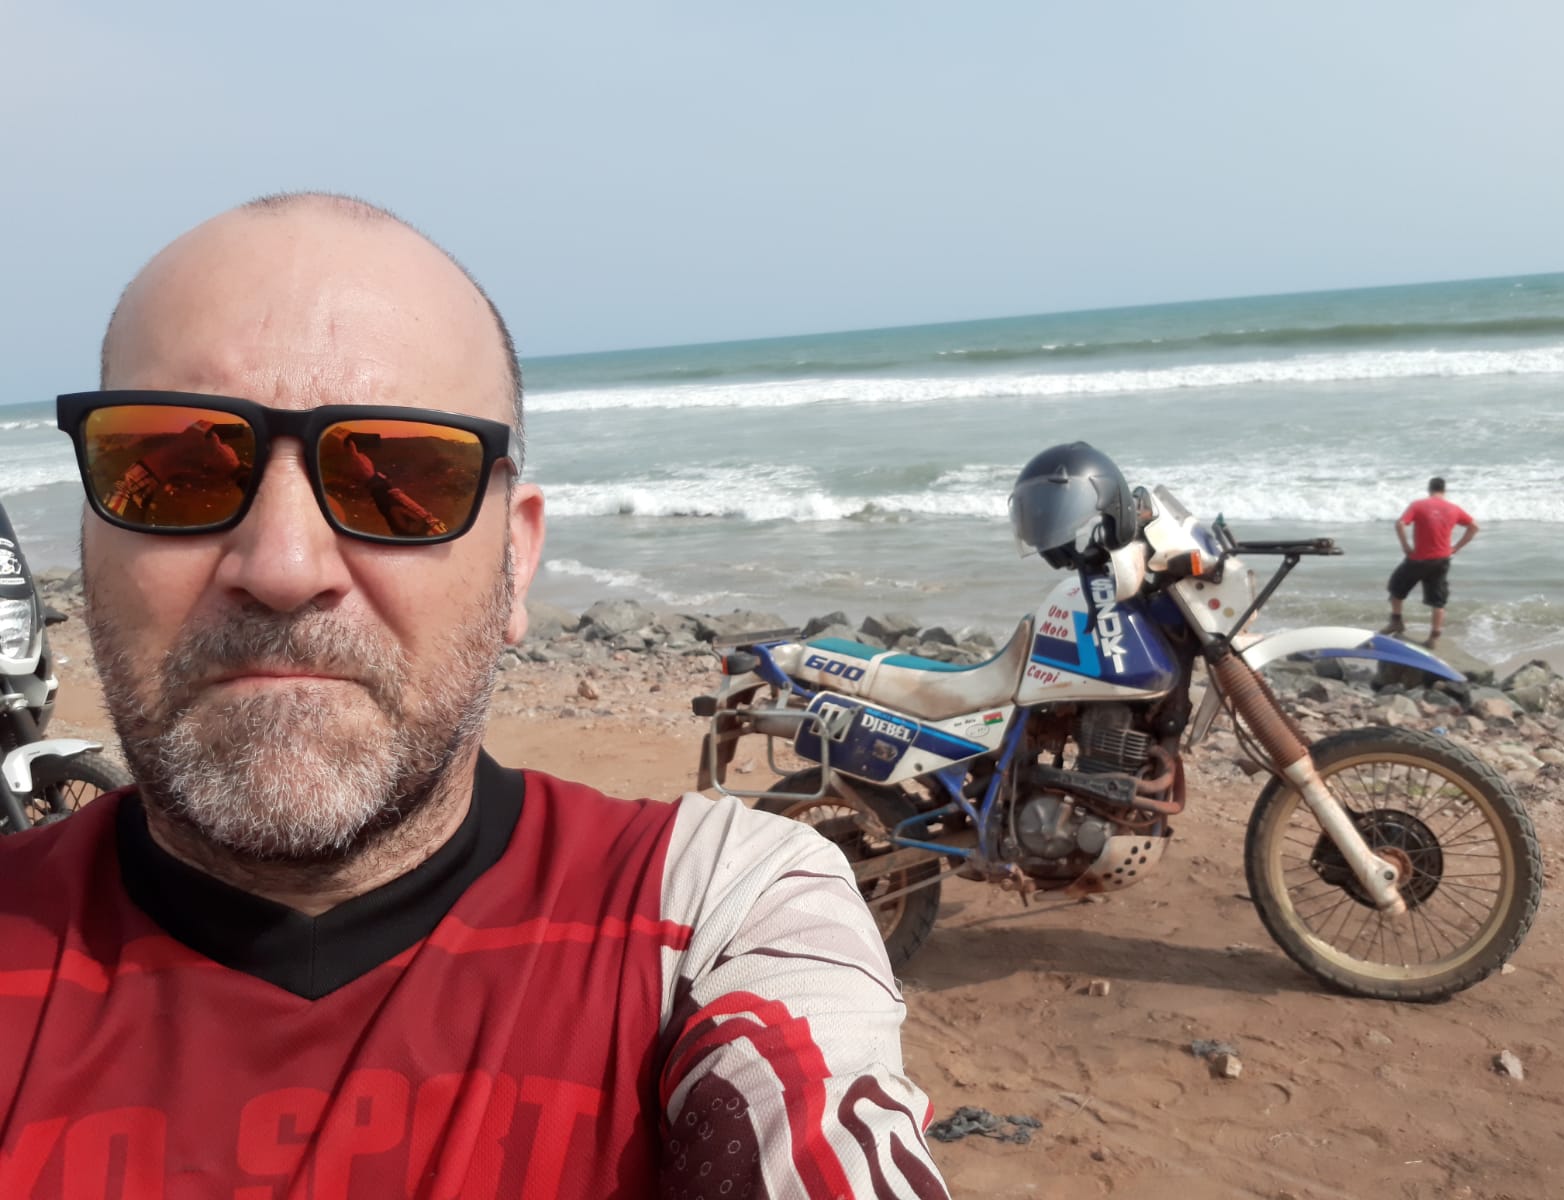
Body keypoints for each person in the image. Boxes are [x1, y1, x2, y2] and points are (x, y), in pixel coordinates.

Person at [2, 194, 949, 1198]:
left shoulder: (708, 913)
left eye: (401, 479)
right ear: (88, 541)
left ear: (516, 561)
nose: (282, 567)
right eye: (176, 473)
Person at [1382, 476, 1478, 649]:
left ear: (1429, 489)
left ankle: (1396, 622)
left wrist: (1405, 546)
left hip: (1418, 559)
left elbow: (1400, 524)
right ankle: (1434, 637)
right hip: (1441, 560)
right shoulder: (1453, 508)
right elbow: (1474, 527)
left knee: (1395, 588)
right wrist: (1456, 547)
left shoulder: (1418, 505)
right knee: (1438, 601)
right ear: (1444, 490)